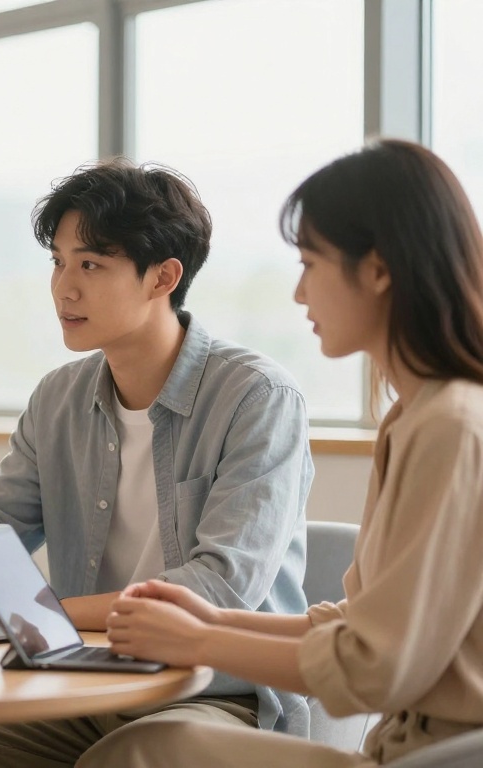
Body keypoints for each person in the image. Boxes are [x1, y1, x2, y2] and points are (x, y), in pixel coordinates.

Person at [0, 158, 314, 767]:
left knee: (126, 756)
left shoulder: (257, 399)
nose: (64, 287)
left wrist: (33, 614)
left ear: (163, 277)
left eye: (90, 264)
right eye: (58, 262)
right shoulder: (59, 397)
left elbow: (219, 589)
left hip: (216, 695)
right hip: (87, 686)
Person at [97, 140, 483, 766]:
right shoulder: (414, 418)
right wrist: (212, 623)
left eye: (310, 264)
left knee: (147, 749)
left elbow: (374, 668)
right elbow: (356, 623)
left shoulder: (452, 428)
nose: (301, 295)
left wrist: (201, 642)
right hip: (404, 748)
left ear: (379, 270)